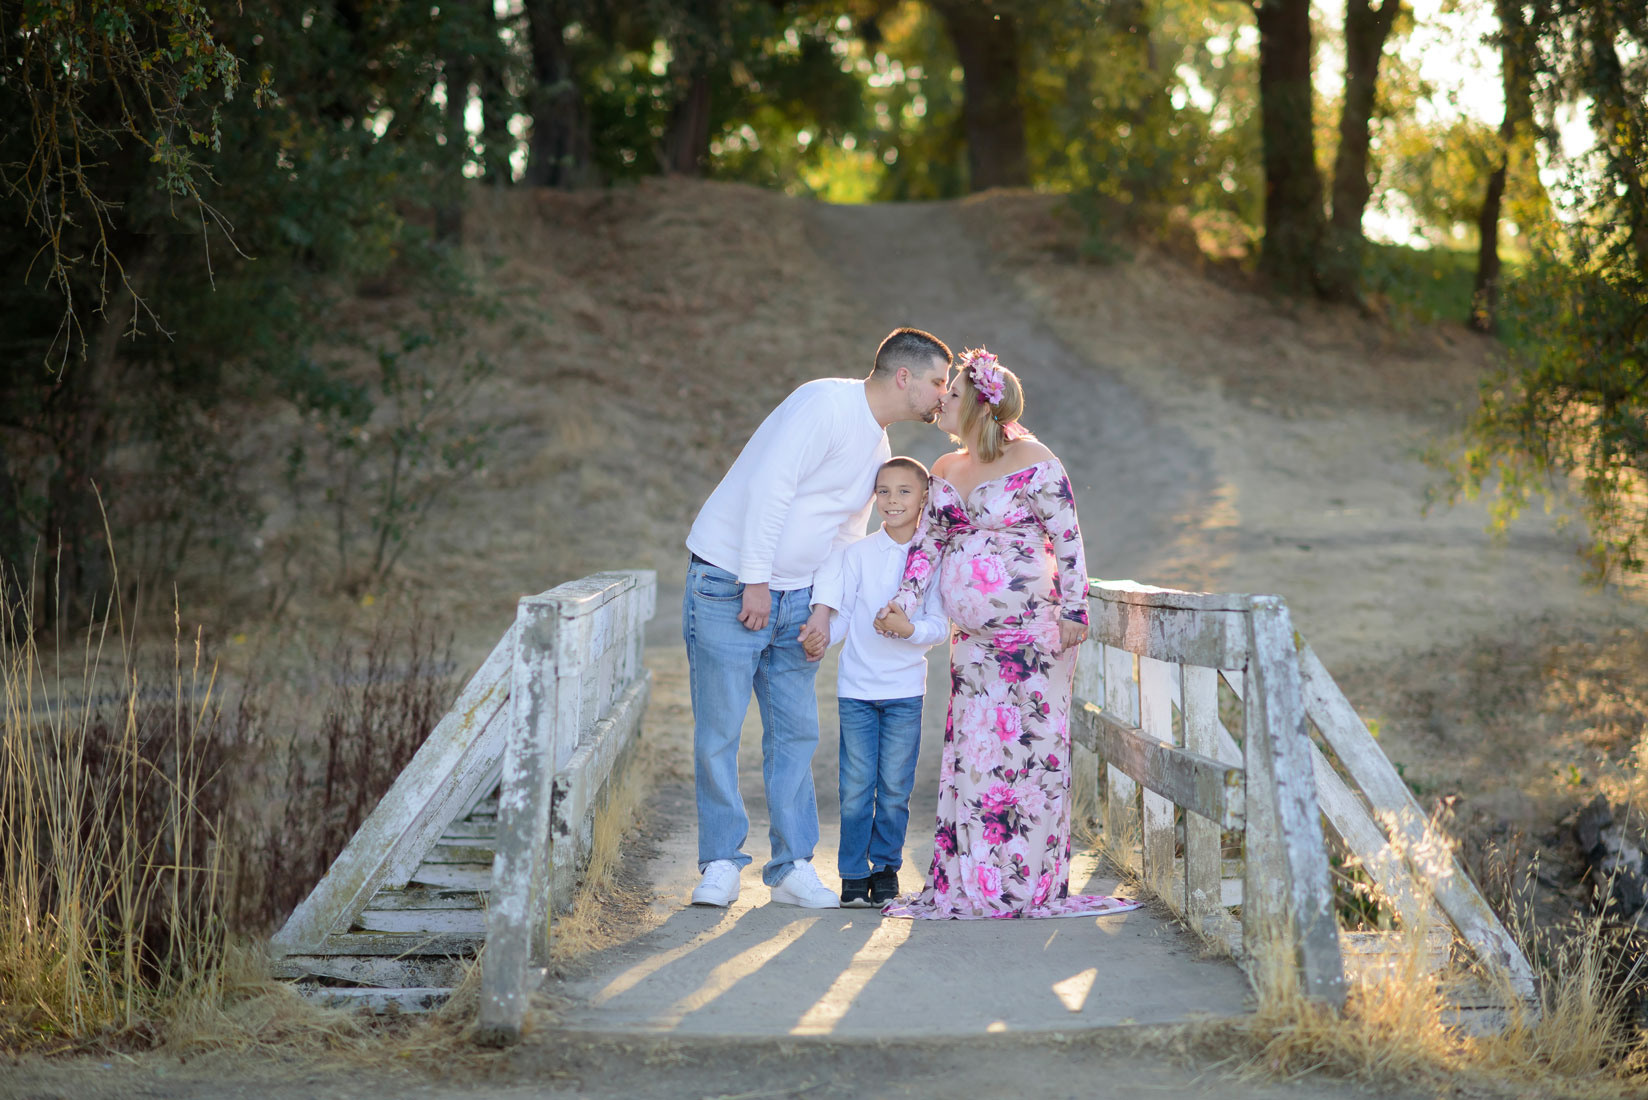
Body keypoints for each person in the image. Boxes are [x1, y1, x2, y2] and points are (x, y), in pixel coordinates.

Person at [684, 328, 952, 910]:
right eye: (937, 381)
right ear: (903, 376)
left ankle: (791, 867)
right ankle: (721, 863)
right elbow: (769, 488)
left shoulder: (879, 452)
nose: (943, 394)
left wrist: (824, 611)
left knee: (796, 734)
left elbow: (844, 535)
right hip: (730, 582)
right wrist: (755, 580)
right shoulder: (824, 403)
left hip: (799, 601)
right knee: (719, 732)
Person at [876, 347, 1142, 920]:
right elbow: (927, 548)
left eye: (949, 396)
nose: (938, 403)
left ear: (974, 404)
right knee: (975, 755)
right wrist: (901, 599)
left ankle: (1025, 887)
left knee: (1031, 758)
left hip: (1035, 641)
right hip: (972, 645)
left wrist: (1075, 611)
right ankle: (973, 881)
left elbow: (1068, 541)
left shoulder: (1036, 460)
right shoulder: (944, 470)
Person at [816, 457, 948, 907]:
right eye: (884, 491)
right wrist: (820, 639)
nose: (892, 500)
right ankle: (853, 872)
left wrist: (910, 631)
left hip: (905, 692)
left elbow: (939, 625)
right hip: (856, 689)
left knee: (894, 786)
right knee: (855, 785)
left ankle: (885, 868)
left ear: (924, 498)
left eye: (904, 492)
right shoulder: (858, 554)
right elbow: (846, 616)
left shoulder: (931, 558)